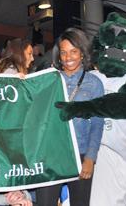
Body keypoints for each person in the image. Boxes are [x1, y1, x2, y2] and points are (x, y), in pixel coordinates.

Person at [35, 28, 104, 206]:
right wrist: (20, 80)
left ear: (82, 53)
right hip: (51, 155)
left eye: (73, 51)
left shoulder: (94, 83)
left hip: (80, 155)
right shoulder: (49, 79)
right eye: (63, 52)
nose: (68, 57)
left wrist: (90, 158)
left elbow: (97, 123)